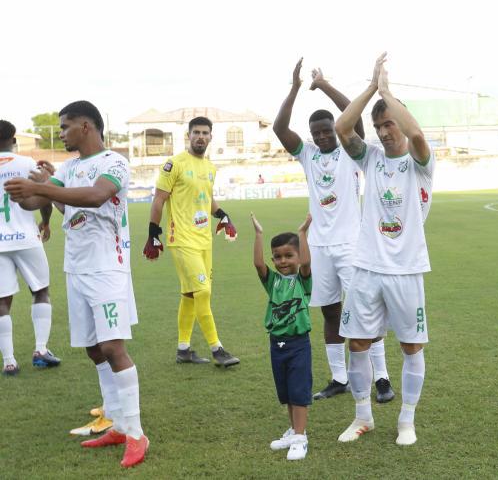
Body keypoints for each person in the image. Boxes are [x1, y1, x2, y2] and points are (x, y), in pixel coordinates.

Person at [4, 100, 149, 467]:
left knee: (113, 347)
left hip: (107, 269)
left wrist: (46, 190)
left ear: (86, 126)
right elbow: (42, 199)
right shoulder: (68, 168)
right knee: (93, 349)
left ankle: (135, 432)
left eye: (66, 126)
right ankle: (115, 422)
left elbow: (96, 196)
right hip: (77, 269)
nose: (63, 132)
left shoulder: (114, 162)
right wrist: (22, 192)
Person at [272, 58, 394, 402]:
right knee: (330, 311)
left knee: (365, 308)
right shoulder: (307, 155)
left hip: (352, 244)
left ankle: (382, 378)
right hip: (320, 247)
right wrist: (295, 88)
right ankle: (339, 377)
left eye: (328, 130)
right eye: (318, 133)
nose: (324, 136)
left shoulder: (350, 151)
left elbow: (350, 114)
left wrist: (323, 84)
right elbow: (280, 129)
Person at [334, 54, 434, 446]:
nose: (383, 132)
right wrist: (372, 89)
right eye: (378, 126)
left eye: (389, 123)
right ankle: (363, 417)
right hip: (367, 267)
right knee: (357, 343)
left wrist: (389, 93)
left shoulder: (420, 162)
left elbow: (419, 137)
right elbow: (343, 126)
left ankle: (406, 420)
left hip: (407, 269)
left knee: (411, 345)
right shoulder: (370, 159)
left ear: (402, 121)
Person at [142, 116, 239, 367]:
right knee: (203, 291)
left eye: (205, 133)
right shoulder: (173, 164)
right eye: (196, 132)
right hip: (181, 239)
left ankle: (183, 349)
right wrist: (153, 233)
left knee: (189, 293)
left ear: (210, 137)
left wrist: (223, 215)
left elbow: (207, 199)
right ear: (188, 135)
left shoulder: (210, 168)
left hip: (204, 240)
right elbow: (159, 200)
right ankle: (217, 349)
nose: (200, 136)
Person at [251, 212, 313, 460]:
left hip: (298, 344)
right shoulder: (273, 281)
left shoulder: (302, 281)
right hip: (276, 344)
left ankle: (301, 437)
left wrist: (302, 233)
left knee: (298, 391)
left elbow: (307, 263)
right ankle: (293, 430)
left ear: (297, 256)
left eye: (289, 255)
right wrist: (258, 234)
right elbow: (258, 264)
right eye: (277, 257)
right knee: (287, 392)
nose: (282, 261)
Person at [0, 119, 59, 376]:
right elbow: (45, 195)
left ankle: (9, 361)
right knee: (41, 290)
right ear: (14, 140)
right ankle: (41, 350)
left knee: (2, 301)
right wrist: (45, 222)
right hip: (26, 237)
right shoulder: (27, 164)